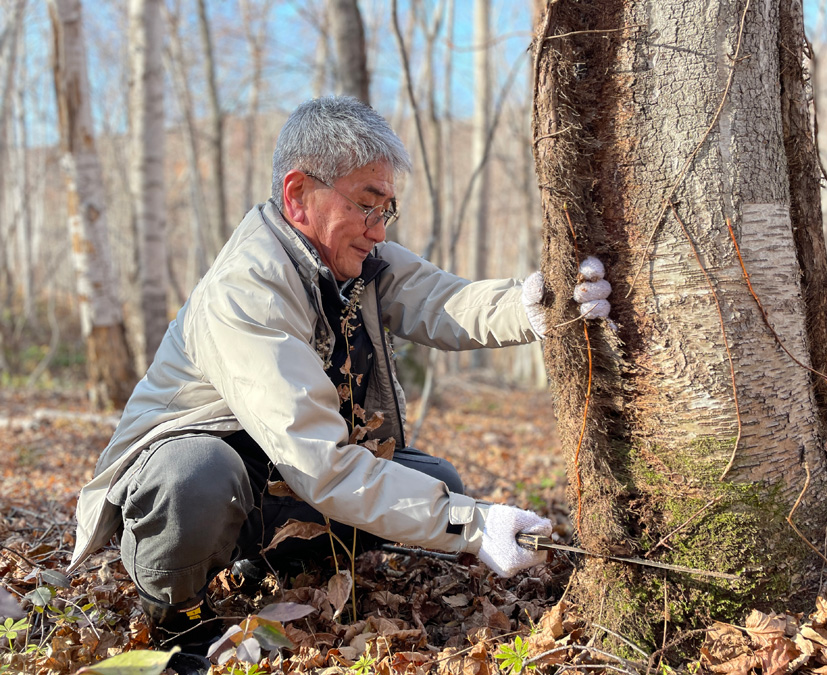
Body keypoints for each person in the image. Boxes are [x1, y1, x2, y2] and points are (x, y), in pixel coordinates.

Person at [68, 96, 611, 671]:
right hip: (195, 476)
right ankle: (176, 616)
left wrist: (540, 306)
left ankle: (282, 568)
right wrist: (470, 524)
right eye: (365, 205)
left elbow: (443, 301)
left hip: (276, 475)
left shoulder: (355, 261)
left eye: (387, 210)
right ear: (298, 195)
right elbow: (321, 462)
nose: (379, 229)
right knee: (196, 479)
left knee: (434, 480)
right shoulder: (247, 291)